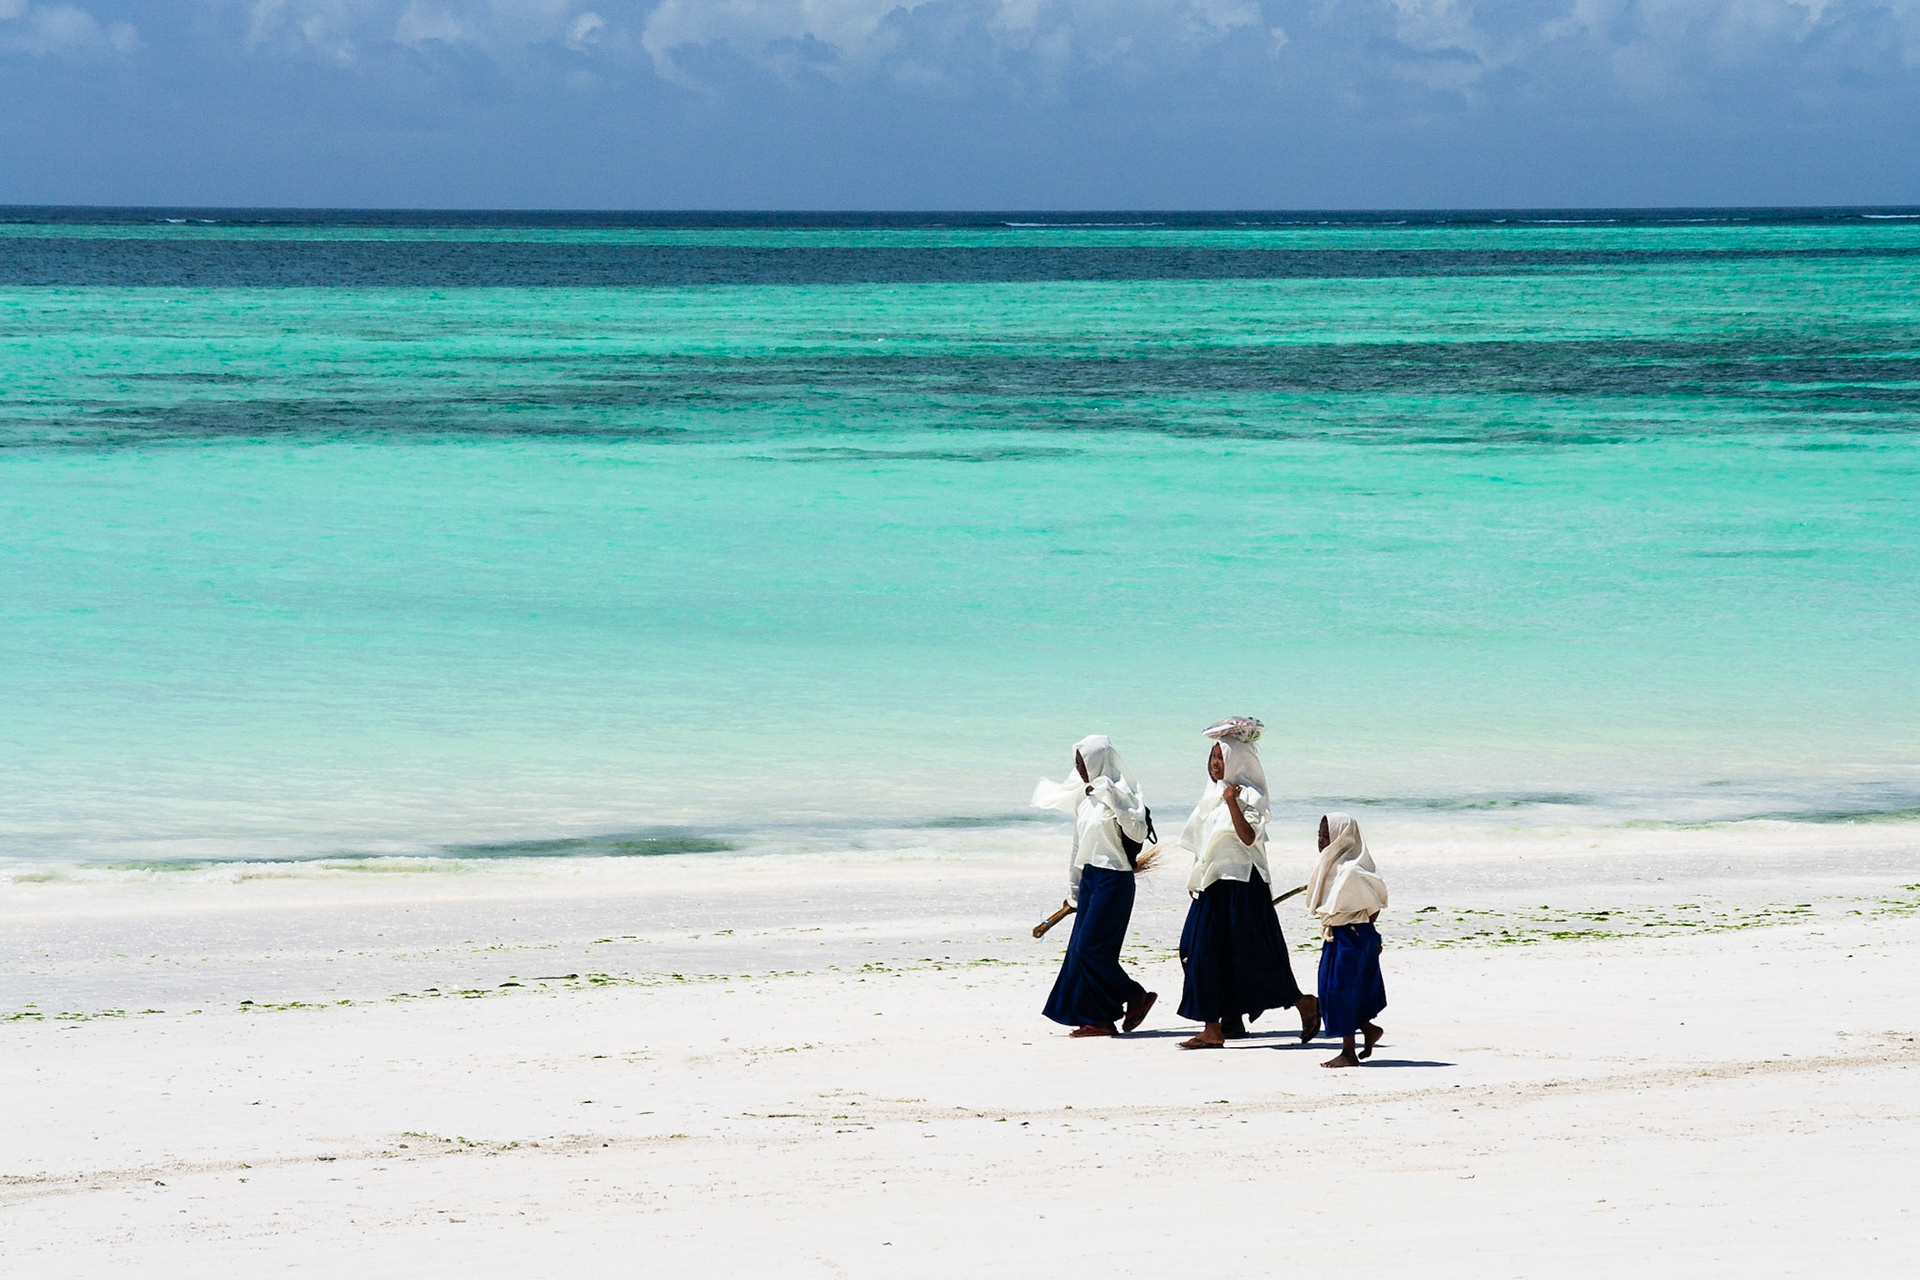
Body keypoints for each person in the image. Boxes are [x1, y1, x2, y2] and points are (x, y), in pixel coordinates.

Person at [1174, 717, 1317, 1049]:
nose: (1213, 765)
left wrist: (1232, 802)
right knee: (1195, 949)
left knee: (1251, 955)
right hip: (1214, 885)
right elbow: (1206, 843)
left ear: (1235, 760)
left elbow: (1249, 838)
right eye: (1211, 759)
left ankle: (1295, 1005)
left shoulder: (1248, 795)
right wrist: (1196, 876)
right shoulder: (1211, 795)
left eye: (1220, 758)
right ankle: (1227, 1019)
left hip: (1242, 885)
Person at [1031, 735, 1159, 1038]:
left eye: (1083, 761)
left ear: (1098, 760)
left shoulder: (1121, 793)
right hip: (1090, 879)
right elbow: (1078, 847)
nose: (1079, 767)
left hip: (1114, 878)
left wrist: (1113, 799)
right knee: (1079, 951)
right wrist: (1074, 892)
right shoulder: (1084, 798)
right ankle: (1098, 1020)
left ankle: (1135, 995)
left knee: (1091, 950)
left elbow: (1137, 832)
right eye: (1076, 761)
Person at [1306, 812, 1389, 1068]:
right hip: (1338, 935)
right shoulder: (1331, 865)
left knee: (1340, 990)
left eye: (1326, 835)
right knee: (1330, 990)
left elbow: (1376, 902)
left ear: (1341, 836)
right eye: (1319, 835)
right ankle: (1368, 1028)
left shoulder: (1353, 869)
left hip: (1353, 935)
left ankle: (1348, 1052)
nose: (1321, 841)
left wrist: (1365, 931)